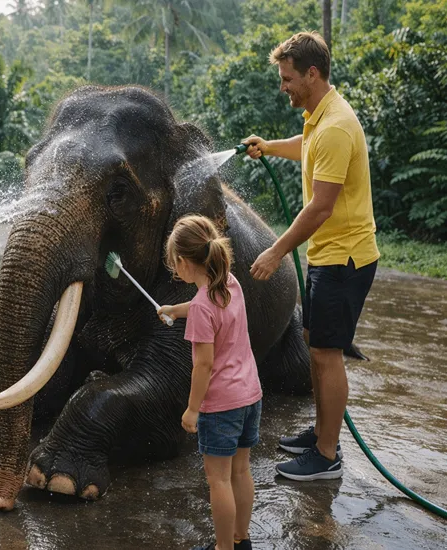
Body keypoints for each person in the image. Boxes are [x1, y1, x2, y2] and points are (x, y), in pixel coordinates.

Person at [243, 31, 379, 481]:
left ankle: (326, 455)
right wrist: (270, 146)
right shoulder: (320, 118)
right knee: (315, 343)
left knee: (325, 353)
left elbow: (320, 206)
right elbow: (307, 150)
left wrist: (277, 251)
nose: (283, 86)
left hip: (345, 258)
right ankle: (323, 433)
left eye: (287, 78)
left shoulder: (337, 126)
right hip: (329, 254)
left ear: (312, 74)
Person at [158, 215, 262, 550]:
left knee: (217, 479)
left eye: (175, 264)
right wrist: (176, 309)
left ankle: (222, 547)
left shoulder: (203, 307)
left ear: (184, 263)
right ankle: (240, 539)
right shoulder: (230, 283)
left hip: (221, 405)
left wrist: (191, 410)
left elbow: (203, 365)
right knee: (241, 472)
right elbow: (207, 306)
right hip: (250, 395)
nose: (176, 271)